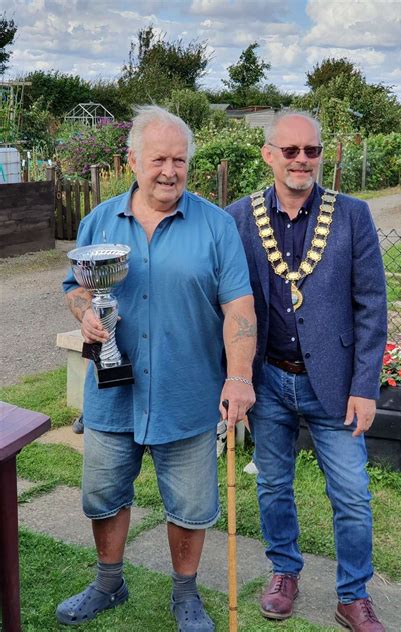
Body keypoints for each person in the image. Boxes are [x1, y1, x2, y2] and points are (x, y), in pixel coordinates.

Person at [57, 105, 256, 631]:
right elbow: (76, 287)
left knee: (190, 506)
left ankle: (185, 594)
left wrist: (239, 377)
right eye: (158, 160)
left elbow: (239, 306)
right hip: (113, 390)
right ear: (132, 161)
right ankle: (108, 582)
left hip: (186, 392)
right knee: (102, 495)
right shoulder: (98, 220)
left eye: (179, 160)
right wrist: (87, 317)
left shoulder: (216, 226)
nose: (169, 170)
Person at [226, 111, 387, 632]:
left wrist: (365, 386)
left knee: (352, 495)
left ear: (321, 155)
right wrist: (235, 377)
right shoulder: (238, 218)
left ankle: (353, 594)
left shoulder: (353, 215)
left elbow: (371, 306)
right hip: (268, 379)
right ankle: (283, 571)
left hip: (336, 386)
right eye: (290, 151)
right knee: (273, 485)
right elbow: (228, 304)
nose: (301, 160)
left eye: (311, 151)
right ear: (269, 154)